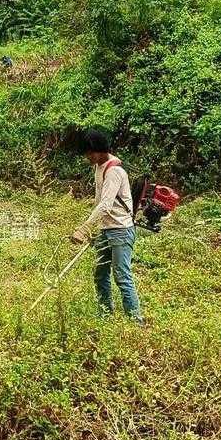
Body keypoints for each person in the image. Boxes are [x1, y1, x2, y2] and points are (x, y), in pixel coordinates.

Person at [71, 129, 143, 323]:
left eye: (89, 153)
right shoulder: (98, 168)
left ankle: (135, 321)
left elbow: (106, 205)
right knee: (100, 274)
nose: (87, 157)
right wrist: (95, 229)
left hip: (120, 230)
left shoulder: (114, 171)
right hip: (106, 229)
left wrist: (85, 228)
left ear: (100, 150)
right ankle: (105, 315)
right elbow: (98, 201)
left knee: (122, 276)